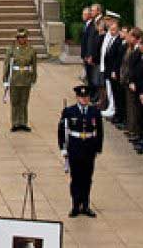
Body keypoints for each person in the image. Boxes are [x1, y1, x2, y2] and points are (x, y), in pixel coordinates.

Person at [58, 85, 104, 217]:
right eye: (82, 97)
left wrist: (98, 147)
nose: (84, 100)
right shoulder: (69, 111)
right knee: (76, 178)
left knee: (87, 178)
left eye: (86, 97)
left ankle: (86, 204)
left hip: (89, 147)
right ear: (77, 97)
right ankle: (75, 205)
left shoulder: (94, 111)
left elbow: (99, 131)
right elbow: (62, 131)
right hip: (75, 147)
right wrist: (63, 148)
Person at [3, 28, 39, 132]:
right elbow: (7, 65)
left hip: (26, 79)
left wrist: (33, 79)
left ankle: (23, 122)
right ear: (17, 38)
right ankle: (15, 123)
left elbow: (34, 66)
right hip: (14, 78)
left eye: (24, 37)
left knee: (24, 102)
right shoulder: (11, 49)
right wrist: (5, 79)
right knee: (15, 102)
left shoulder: (31, 50)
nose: (22, 39)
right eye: (20, 37)